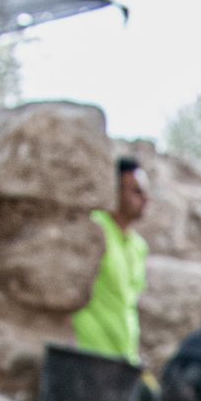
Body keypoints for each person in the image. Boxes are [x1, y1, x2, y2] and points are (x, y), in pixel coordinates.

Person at [72, 155, 150, 363]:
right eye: (137, 191)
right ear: (116, 191)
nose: (145, 198)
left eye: (145, 191)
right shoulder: (95, 228)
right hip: (89, 353)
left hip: (124, 358)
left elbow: (128, 304)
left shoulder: (138, 246)